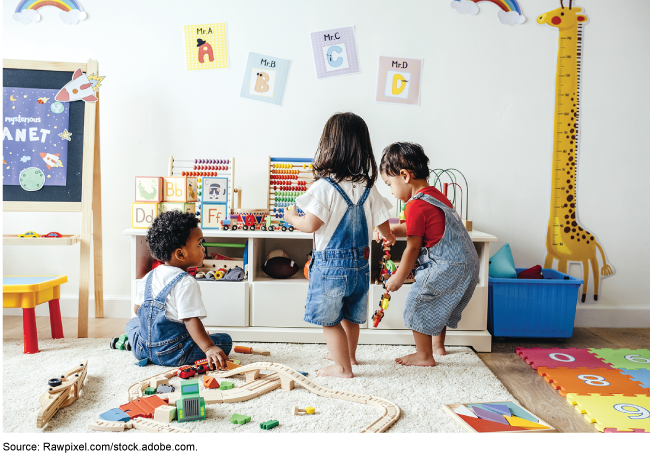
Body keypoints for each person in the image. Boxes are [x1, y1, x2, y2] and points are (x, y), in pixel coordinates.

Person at [285, 112, 395, 378]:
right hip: (361, 266)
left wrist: (291, 218)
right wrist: (386, 236)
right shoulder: (369, 186)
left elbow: (311, 224)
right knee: (350, 316)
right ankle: (351, 357)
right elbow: (384, 226)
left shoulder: (325, 187)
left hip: (331, 267)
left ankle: (342, 367)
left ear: (329, 146)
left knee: (330, 320)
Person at [375, 142, 479, 367]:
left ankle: (424, 356)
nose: (391, 191)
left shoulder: (414, 206)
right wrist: (391, 230)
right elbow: (418, 227)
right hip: (467, 263)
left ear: (404, 176)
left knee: (418, 302)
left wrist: (399, 277)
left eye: (389, 184)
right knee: (439, 302)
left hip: (447, 264)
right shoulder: (434, 196)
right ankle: (437, 346)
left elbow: (412, 247)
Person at [125, 211, 232, 369]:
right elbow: (190, 320)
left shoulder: (149, 276)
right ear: (180, 254)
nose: (203, 249)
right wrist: (209, 348)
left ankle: (133, 344)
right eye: (199, 244)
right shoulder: (185, 282)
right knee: (225, 341)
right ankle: (199, 346)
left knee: (133, 323)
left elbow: (137, 310)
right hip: (173, 354)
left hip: (143, 349)